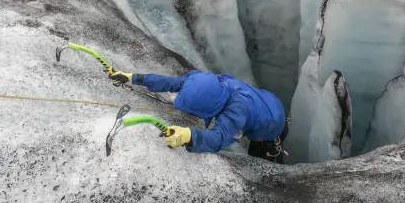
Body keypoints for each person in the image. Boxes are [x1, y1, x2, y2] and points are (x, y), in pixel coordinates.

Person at [109, 69, 289, 162]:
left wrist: (189, 136)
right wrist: (133, 77)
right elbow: (172, 83)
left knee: (261, 158)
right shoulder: (210, 84)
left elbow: (218, 139)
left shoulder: (237, 109)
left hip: (272, 124)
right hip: (267, 100)